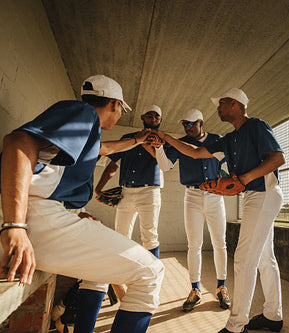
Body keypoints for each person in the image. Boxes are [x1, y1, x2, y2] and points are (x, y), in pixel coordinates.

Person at [0, 74, 164, 333]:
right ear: (114, 104)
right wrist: (14, 226)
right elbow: (17, 142)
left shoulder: (86, 128)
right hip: (29, 215)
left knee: (100, 273)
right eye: (121, 108)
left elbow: (105, 149)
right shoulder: (84, 112)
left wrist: (139, 139)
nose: (120, 114)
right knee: (151, 272)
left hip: (41, 214)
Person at [153, 88, 285, 333]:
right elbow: (193, 152)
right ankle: (273, 316)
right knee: (265, 258)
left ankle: (236, 325)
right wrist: (165, 137)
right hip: (253, 195)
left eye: (221, 103)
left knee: (244, 259)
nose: (218, 107)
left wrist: (243, 179)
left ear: (235, 104)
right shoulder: (229, 138)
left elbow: (277, 159)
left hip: (264, 193)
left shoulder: (256, 126)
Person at [155, 108, 231, 312]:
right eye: (184, 124)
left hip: (216, 196)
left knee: (219, 243)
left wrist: (223, 181)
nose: (187, 128)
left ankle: (221, 287)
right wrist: (158, 148)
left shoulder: (217, 139)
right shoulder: (178, 143)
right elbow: (164, 166)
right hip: (192, 196)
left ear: (201, 123)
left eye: (191, 124)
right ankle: (195, 290)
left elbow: (228, 164)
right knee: (194, 244)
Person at [94, 104, 165, 258]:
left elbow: (165, 163)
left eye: (156, 116)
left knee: (150, 236)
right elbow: (113, 165)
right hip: (126, 192)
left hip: (150, 192)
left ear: (160, 120)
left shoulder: (163, 141)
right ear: (142, 117)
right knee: (121, 235)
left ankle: (152, 275)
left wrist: (148, 143)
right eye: (149, 115)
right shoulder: (128, 138)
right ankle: (120, 276)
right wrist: (98, 188)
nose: (153, 119)